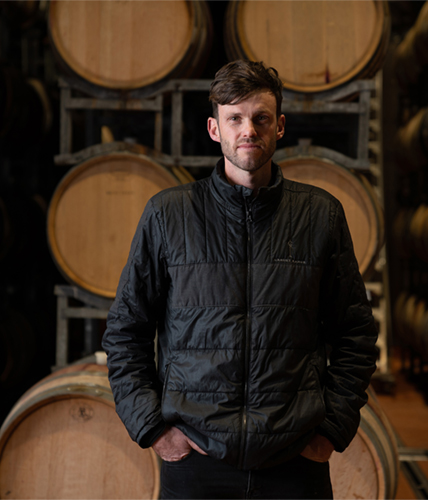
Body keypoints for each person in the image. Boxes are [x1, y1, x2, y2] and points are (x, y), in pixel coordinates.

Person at [102, 59, 378, 499]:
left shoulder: (319, 215)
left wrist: (330, 430)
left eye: (260, 118)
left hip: (294, 463)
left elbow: (356, 334)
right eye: (235, 118)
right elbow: (125, 331)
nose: (248, 129)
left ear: (280, 126)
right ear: (216, 129)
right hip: (196, 462)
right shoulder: (169, 214)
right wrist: (154, 428)